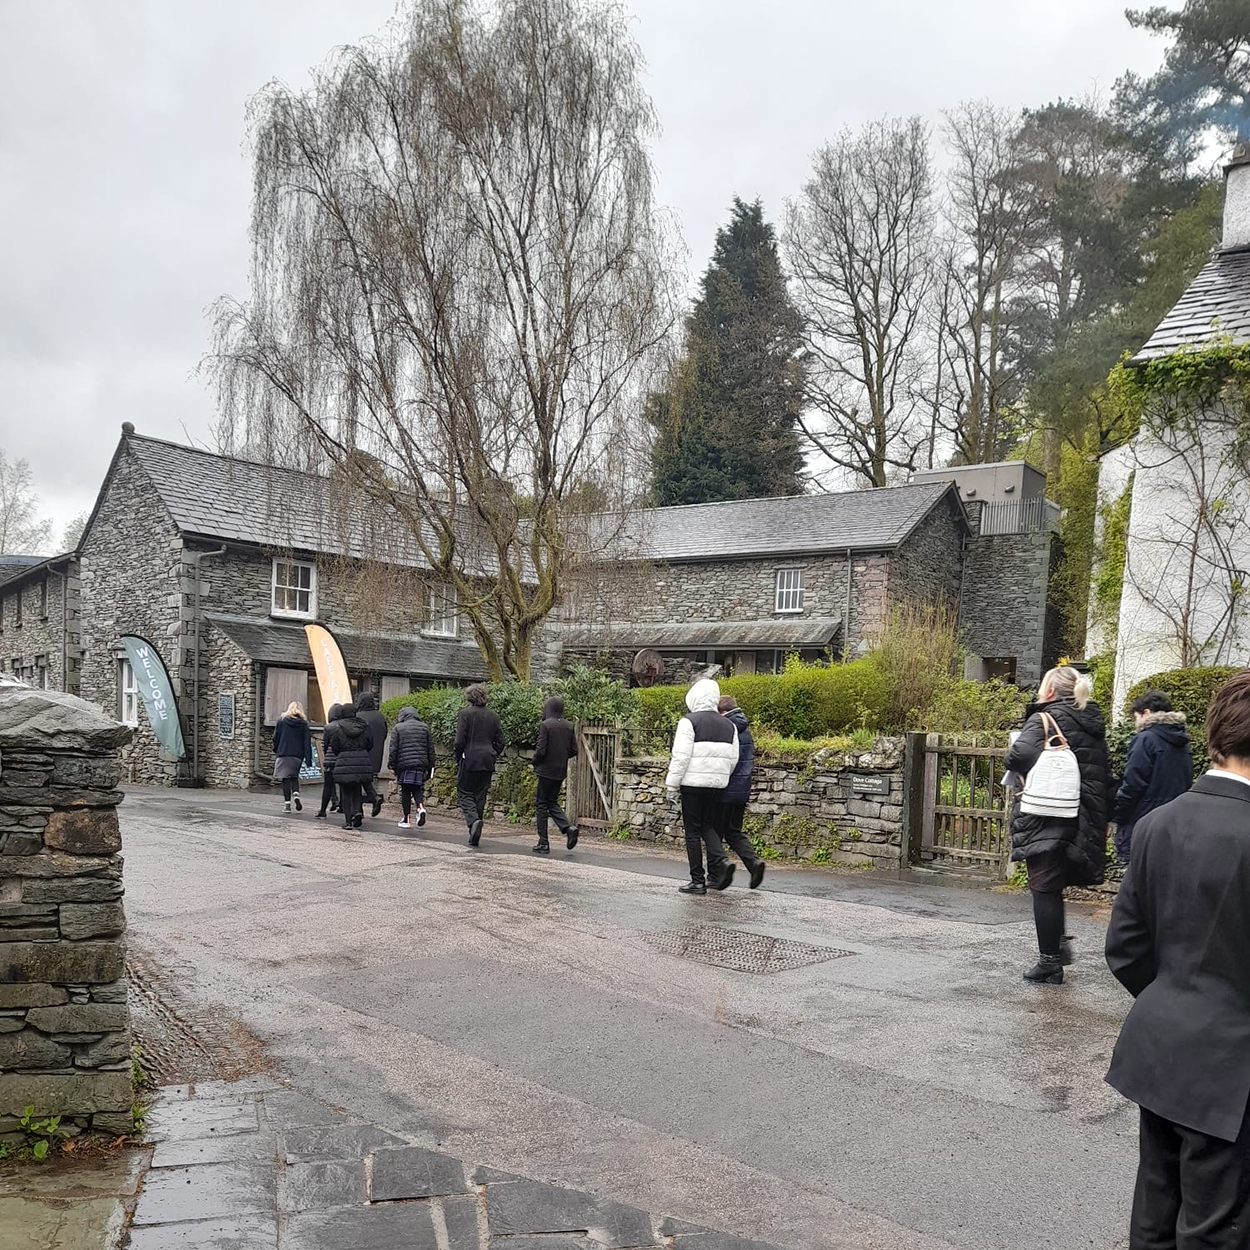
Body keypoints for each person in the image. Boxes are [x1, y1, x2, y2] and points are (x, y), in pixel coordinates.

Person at [1105, 669, 1250, 1247]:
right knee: (1217, 1229)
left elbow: (1125, 947)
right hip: (1232, 1069)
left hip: (1161, 1048)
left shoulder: (1155, 824)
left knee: (1155, 1211)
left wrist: (1177, 999)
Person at [1004, 665, 1109, 985]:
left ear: (1050, 691)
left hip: (1047, 813)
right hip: (1082, 813)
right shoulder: (1092, 723)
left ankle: (1050, 962)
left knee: (1044, 885)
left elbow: (1017, 757)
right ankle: (1057, 944)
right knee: (1054, 882)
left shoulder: (1046, 718)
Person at [665, 677, 739, 895]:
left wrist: (672, 785)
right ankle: (721, 859)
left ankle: (697, 880)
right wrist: (720, 776)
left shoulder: (689, 721)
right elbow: (733, 758)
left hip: (693, 784)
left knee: (692, 832)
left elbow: (680, 757)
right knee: (708, 826)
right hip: (717, 784)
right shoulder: (729, 725)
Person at [1112, 689, 1193, 864]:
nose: (1135, 723)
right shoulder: (1182, 741)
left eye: (1136, 717)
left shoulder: (1145, 739)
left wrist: (1118, 813)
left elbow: (1133, 783)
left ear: (1146, 712)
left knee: (1137, 877)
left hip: (1142, 821)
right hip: (1173, 820)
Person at [714, 695, 766, 890]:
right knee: (733, 831)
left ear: (722, 711)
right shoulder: (745, 729)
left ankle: (720, 871)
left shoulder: (727, 728)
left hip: (726, 788)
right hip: (742, 789)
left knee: (715, 831)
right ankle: (753, 863)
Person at [454, 684, 504, 847]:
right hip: (487, 759)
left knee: (464, 791)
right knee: (480, 794)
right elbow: (500, 741)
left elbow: (459, 741)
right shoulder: (494, 716)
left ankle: (474, 821)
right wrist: (493, 752)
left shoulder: (465, 714)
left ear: (469, 698)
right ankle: (475, 830)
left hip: (469, 758)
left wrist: (458, 756)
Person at [531, 696, 579, 855]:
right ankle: (568, 828)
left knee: (541, 804)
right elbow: (574, 750)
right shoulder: (569, 726)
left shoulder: (545, 725)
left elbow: (541, 750)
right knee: (552, 801)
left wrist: (535, 761)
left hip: (545, 770)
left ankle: (543, 842)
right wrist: (561, 757)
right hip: (560, 770)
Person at [324, 701, 374, 832]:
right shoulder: (363, 725)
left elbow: (334, 746)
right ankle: (357, 811)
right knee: (357, 788)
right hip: (361, 760)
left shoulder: (338, 727)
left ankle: (348, 822)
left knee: (346, 792)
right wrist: (362, 752)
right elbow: (370, 742)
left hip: (344, 761)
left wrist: (341, 754)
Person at [388, 705, 435, 830]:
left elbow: (393, 749)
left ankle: (406, 819)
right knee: (417, 788)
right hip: (420, 764)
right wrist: (430, 766)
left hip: (404, 764)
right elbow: (430, 749)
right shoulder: (425, 728)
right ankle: (420, 807)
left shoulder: (398, 728)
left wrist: (391, 764)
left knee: (405, 791)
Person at [272, 701, 312, 813]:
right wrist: (308, 760)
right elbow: (306, 742)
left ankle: (287, 805)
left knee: (285, 779)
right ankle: (296, 795)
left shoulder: (282, 721)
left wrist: (276, 749)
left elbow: (276, 737)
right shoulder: (304, 724)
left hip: (284, 753)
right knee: (294, 776)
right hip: (297, 755)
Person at [355, 691, 387, 819]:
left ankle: (359, 810)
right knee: (367, 780)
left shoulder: (358, 716)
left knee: (356, 782)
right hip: (376, 757)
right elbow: (384, 734)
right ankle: (374, 798)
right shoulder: (380, 716)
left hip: (360, 755)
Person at [315, 703, 343, 819]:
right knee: (343, 785)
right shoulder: (344, 725)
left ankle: (323, 810)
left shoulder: (328, 727)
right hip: (342, 759)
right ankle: (342, 806)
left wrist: (327, 755)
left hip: (330, 760)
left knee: (328, 786)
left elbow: (325, 744)